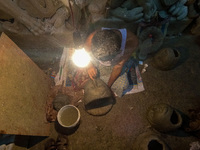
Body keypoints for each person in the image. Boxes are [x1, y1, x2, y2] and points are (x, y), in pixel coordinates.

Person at [84, 28, 139, 96]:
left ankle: (101, 79)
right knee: (83, 65)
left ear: (118, 51)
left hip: (115, 65)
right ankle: (100, 76)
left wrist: (108, 86)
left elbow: (118, 66)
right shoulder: (92, 38)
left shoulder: (131, 42)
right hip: (96, 61)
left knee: (122, 85)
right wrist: (89, 66)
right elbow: (86, 52)